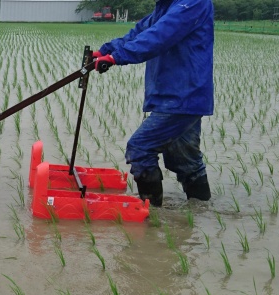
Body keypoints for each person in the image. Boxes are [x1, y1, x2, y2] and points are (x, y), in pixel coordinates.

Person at [92, 0, 215, 206]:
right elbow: (140, 33)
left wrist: (117, 57)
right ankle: (201, 212)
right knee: (185, 161)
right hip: (171, 96)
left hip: (183, 96)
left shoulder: (193, 3)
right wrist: (106, 50)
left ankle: (152, 215)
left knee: (140, 148)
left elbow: (160, 36)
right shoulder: (164, 8)